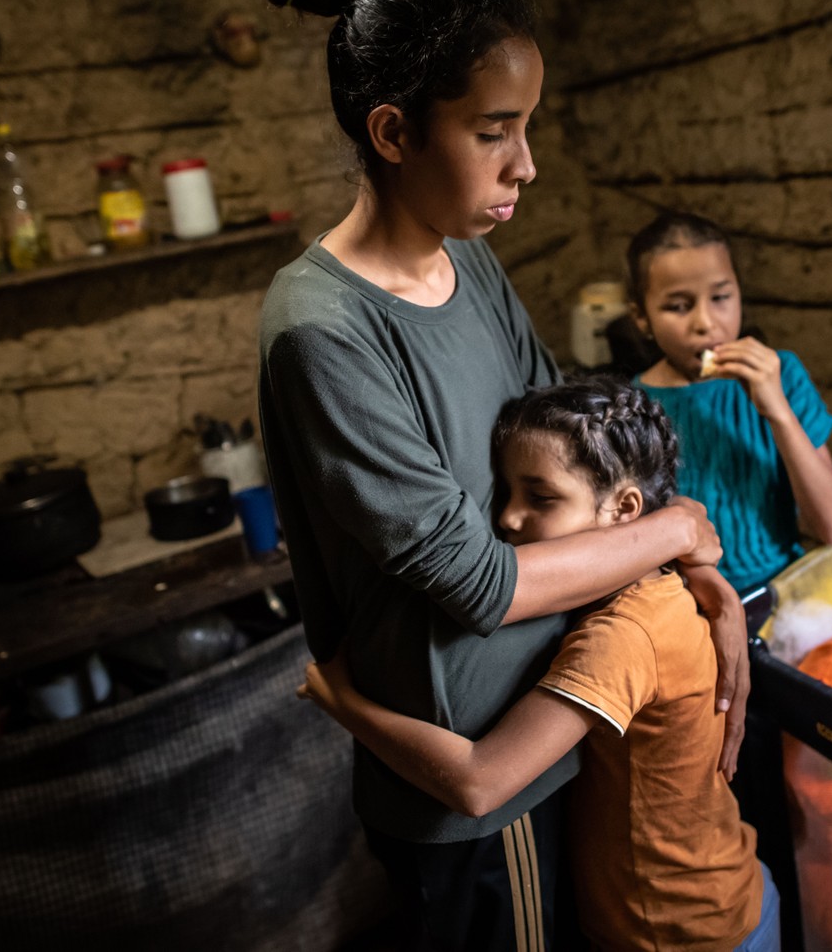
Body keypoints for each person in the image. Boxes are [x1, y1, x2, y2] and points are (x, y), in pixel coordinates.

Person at [248, 0, 749, 951]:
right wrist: (681, 530)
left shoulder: (464, 261)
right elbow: (478, 582)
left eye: (525, 126)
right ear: (394, 131)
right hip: (475, 777)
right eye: (493, 132)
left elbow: (570, 445)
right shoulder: (325, 332)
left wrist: (702, 577)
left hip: (545, 723)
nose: (526, 163)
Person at [299, 377, 781, 952]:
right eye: (505, 492)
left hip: (680, 931)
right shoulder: (657, 583)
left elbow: (480, 782)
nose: (507, 518)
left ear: (626, 510)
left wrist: (343, 702)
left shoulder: (624, 635)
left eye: (541, 497)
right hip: (722, 894)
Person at [628, 212, 832, 595]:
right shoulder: (631, 409)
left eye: (720, 298)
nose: (706, 322)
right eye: (679, 306)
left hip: (781, 592)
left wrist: (776, 409)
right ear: (642, 317)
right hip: (682, 609)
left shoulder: (783, 376)